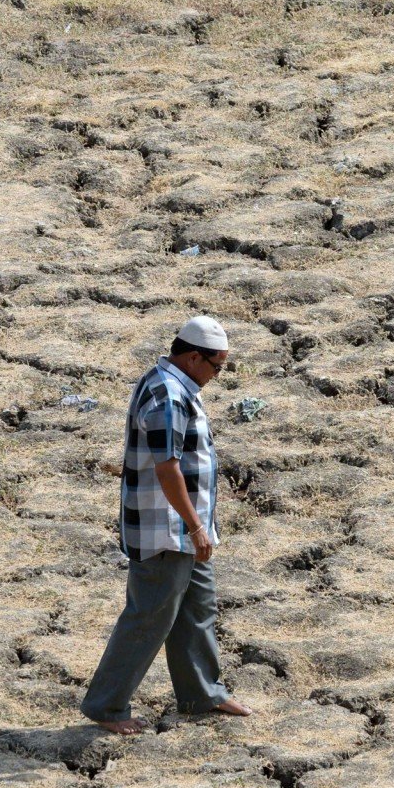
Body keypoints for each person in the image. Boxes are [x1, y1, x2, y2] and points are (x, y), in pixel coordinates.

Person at [79, 315, 253, 736]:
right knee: (149, 616)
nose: (218, 375)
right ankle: (107, 705)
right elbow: (167, 468)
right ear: (194, 356)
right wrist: (194, 525)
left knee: (197, 608)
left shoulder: (175, 384)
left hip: (187, 529)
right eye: (218, 366)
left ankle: (201, 694)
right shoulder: (167, 395)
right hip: (167, 530)